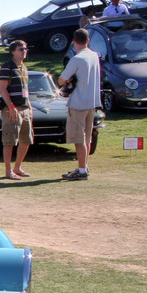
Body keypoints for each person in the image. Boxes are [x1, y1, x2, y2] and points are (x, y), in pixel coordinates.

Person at [58, 28, 101, 181]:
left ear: (74, 42)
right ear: (88, 41)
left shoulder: (76, 58)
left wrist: (68, 80)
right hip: (92, 102)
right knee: (87, 137)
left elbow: (62, 80)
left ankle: (82, 170)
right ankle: (84, 166)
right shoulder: (95, 55)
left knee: (78, 138)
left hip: (78, 102)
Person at [0, 40, 32, 179]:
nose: (24, 51)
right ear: (13, 51)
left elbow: (26, 90)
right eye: (20, 49)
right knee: (10, 140)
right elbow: (3, 88)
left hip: (25, 108)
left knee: (26, 139)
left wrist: (29, 107)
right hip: (12, 108)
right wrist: (11, 107)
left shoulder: (24, 68)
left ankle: (18, 167)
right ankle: (8, 171)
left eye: (25, 48)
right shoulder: (6, 67)